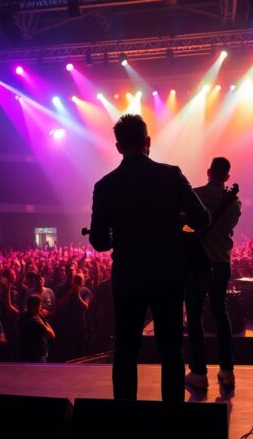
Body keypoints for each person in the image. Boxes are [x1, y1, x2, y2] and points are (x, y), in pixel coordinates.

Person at [89, 114, 209, 401]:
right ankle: (172, 421)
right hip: (168, 275)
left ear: (118, 147)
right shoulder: (171, 174)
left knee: (126, 351)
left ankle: (125, 420)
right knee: (171, 352)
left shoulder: (105, 186)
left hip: (128, 277)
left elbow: (99, 241)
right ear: (148, 142)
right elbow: (202, 219)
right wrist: (172, 222)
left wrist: (124, 233)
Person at [184, 157, 241, 390]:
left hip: (198, 262)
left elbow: (184, 224)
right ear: (227, 176)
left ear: (208, 172)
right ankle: (227, 370)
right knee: (220, 312)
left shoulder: (195, 194)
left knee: (195, 315)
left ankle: (199, 372)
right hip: (221, 263)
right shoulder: (235, 203)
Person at [18, 295, 56, 363]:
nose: (41, 308)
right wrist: (43, 319)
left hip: (24, 354)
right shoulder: (35, 321)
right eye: (40, 305)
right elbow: (52, 335)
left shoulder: (22, 316)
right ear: (35, 307)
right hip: (37, 356)